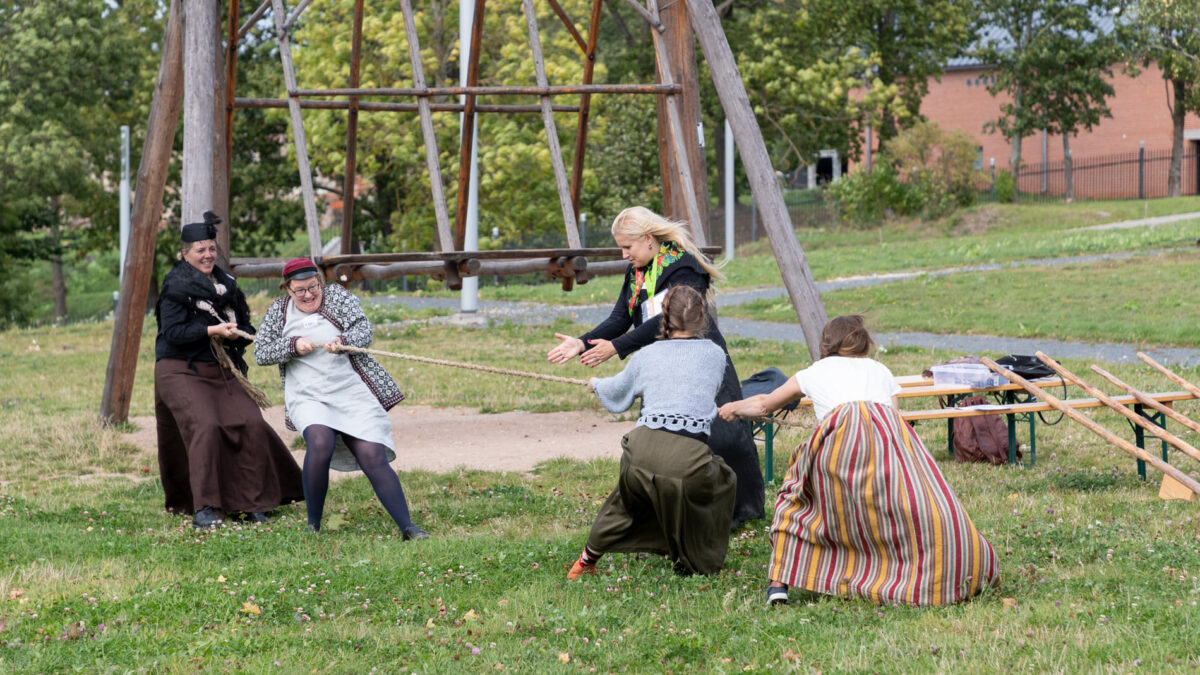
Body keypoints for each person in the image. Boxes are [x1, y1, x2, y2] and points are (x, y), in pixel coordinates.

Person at [719, 315, 999, 607]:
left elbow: (764, 404)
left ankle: (779, 583)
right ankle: (933, 571)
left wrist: (733, 407)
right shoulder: (881, 370)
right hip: (888, 447)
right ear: (864, 343)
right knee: (907, 508)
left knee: (796, 499)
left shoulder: (815, 370)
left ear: (827, 343)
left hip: (840, 444)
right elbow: (892, 421)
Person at [547, 206, 764, 528]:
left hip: (701, 360)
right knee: (663, 436)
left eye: (627, 247)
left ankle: (741, 510)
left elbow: (666, 320)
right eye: (621, 248)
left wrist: (618, 347)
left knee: (723, 434)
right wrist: (583, 342)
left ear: (648, 239)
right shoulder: (637, 270)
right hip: (661, 363)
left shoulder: (685, 268)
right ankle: (670, 509)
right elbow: (621, 318)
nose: (624, 255)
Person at [568, 286, 737, 579]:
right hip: (688, 457)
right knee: (721, 482)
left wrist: (596, 384)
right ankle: (696, 561)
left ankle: (585, 561)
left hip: (639, 449)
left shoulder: (646, 355)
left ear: (663, 318)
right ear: (703, 318)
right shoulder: (715, 354)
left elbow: (618, 392)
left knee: (626, 501)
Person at [254, 258, 429, 540]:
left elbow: (364, 330)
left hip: (350, 390)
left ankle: (408, 528)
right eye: (300, 291)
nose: (309, 295)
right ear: (288, 289)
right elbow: (261, 353)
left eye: (314, 287)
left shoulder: (337, 296)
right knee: (320, 443)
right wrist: (292, 346)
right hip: (307, 394)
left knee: (372, 454)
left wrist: (344, 340)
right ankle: (314, 525)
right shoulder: (278, 311)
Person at [154, 211, 304, 529]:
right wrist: (212, 331)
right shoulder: (175, 286)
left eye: (211, 248)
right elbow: (173, 333)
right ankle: (206, 507)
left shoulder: (228, 285)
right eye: (200, 250)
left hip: (222, 368)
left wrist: (237, 332)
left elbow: (244, 323)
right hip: (180, 370)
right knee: (206, 426)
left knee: (250, 422)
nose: (207, 255)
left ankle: (251, 501)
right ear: (185, 254)